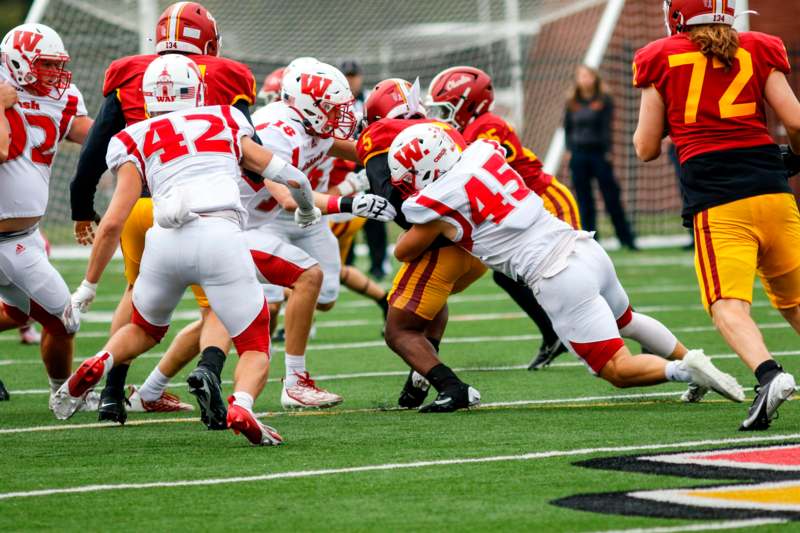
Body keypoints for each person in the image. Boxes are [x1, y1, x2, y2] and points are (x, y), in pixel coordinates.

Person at [52, 54, 327, 446]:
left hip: (164, 240)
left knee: (143, 329)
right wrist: (304, 208)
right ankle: (243, 404)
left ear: (148, 98)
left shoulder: (132, 136)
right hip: (220, 235)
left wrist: (87, 288)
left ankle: (102, 360)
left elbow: (112, 221)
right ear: (197, 90)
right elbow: (289, 175)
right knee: (253, 341)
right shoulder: (226, 119)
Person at [389, 123, 745, 402]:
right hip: (584, 248)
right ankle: (694, 361)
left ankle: (686, 371)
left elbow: (403, 251)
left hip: (557, 276)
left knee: (617, 370)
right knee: (629, 320)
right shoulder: (482, 155)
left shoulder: (438, 204)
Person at [69, 1, 262, 424]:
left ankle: (111, 393)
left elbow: (96, 148)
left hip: (140, 203)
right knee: (217, 306)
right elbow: (252, 154)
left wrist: (81, 205)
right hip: (203, 207)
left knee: (134, 298)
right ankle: (208, 370)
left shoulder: (131, 72)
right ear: (207, 42)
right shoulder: (228, 76)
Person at [633, 0, 800, 430]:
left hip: (718, 199)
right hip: (774, 192)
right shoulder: (760, 47)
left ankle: (769, 375)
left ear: (676, 14)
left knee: (728, 306)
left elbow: (646, 148)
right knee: (796, 302)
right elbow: (796, 122)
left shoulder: (660, 57)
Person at [426, 65, 581, 371]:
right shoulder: (471, 127)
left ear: (467, 104)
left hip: (546, 200)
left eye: (446, 109)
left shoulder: (487, 126)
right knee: (507, 274)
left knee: (579, 269)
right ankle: (553, 334)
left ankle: (632, 325)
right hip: (521, 207)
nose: (441, 117)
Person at [358, 78, 484, 412]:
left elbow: (390, 204)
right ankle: (419, 380)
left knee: (398, 330)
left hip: (438, 245)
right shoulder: (442, 129)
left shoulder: (379, 134)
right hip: (477, 243)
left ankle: (452, 387)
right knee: (427, 304)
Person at [0, 23, 95, 411]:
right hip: (12, 242)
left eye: (58, 65)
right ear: (19, 63)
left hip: (26, 234)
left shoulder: (62, 95)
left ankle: (64, 391)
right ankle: (66, 393)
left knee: (19, 312)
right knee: (63, 319)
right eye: (47, 65)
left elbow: (89, 135)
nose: (56, 75)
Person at [565, 65, 637, 250]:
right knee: (584, 200)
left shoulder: (604, 100)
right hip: (579, 156)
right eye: (581, 75)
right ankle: (591, 241)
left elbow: (606, 129)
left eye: (588, 75)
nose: (585, 79)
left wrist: (608, 152)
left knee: (611, 197)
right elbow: (567, 129)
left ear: (594, 78)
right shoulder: (571, 101)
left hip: (599, 155)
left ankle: (626, 239)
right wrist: (570, 150)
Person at [342, 59, 389, 280]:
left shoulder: (373, 99)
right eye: (347, 76)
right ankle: (346, 264)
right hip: (345, 165)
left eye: (354, 75)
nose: (351, 80)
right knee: (346, 212)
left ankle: (378, 264)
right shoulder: (338, 100)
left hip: (370, 164)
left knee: (375, 214)